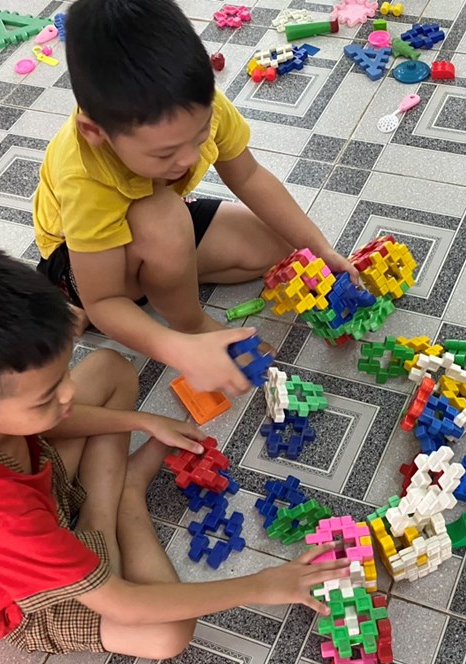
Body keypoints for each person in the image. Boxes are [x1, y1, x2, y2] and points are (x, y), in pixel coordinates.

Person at [0, 241, 347, 658]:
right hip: (10, 590)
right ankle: (121, 501)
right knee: (168, 633)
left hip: (23, 485)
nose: (68, 394)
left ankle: (108, 498)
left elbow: (54, 415)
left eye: (62, 375)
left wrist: (142, 420)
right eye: (46, 396)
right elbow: (124, 604)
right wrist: (262, 585)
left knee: (111, 369)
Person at [33, 0, 354, 396]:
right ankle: (188, 321)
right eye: (165, 154)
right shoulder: (83, 176)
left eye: (199, 137)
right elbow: (104, 299)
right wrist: (183, 348)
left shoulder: (196, 104)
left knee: (275, 246)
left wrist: (320, 248)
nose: (187, 160)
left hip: (156, 221)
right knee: (163, 217)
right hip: (80, 267)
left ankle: (164, 275)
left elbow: (249, 176)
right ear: (94, 131)